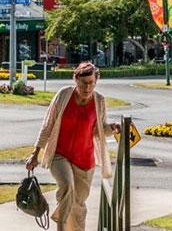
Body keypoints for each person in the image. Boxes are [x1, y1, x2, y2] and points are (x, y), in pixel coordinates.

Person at [26, 61, 119, 231]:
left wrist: (111, 128)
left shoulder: (99, 101)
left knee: (78, 205)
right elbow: (48, 124)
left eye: (92, 83)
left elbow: (99, 130)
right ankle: (61, 227)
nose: (88, 87)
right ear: (75, 80)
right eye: (84, 83)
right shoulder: (64, 95)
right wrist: (35, 153)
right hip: (60, 155)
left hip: (85, 161)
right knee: (67, 187)